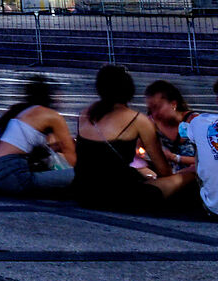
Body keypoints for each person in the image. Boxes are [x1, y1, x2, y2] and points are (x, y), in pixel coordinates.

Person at [73, 65, 197, 213]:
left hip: (83, 193)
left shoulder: (84, 114)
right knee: (189, 176)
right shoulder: (138, 120)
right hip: (123, 196)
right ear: (129, 90)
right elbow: (164, 171)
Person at [0, 75, 75, 197]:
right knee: (87, 176)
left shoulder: (16, 112)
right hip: (11, 178)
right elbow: (71, 158)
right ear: (50, 97)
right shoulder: (52, 116)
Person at [143, 81, 217, 219]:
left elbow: (205, 159)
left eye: (158, 107)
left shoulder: (195, 122)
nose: (155, 113)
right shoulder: (151, 123)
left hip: (191, 177)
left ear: (173, 104)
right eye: (151, 108)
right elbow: (138, 152)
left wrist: (174, 157)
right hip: (165, 173)